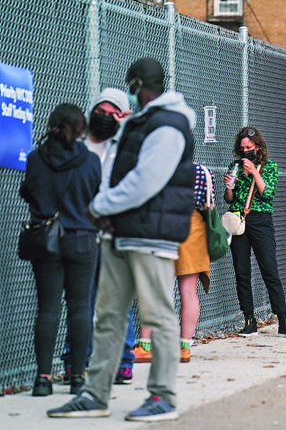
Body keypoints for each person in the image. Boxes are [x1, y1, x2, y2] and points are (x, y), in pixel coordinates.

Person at [48, 57, 195, 421]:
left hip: (151, 234)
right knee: (108, 316)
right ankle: (95, 394)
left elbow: (147, 180)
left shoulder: (169, 123)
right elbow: (117, 168)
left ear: (137, 84)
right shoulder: (140, 122)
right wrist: (108, 212)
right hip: (122, 232)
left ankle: (162, 397)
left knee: (157, 315)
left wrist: (100, 205)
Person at [20, 104, 101, 396]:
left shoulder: (34, 159)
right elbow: (95, 196)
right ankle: (77, 377)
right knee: (80, 308)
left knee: (48, 308)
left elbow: (28, 192)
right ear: (81, 128)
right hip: (82, 239)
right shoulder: (91, 161)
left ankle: (43, 379)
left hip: (46, 240)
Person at [59, 89, 136, 386]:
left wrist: (130, 123)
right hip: (79, 230)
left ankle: (123, 361)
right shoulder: (76, 144)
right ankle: (75, 360)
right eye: (100, 111)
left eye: (112, 112)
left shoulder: (125, 144)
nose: (104, 117)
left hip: (112, 231)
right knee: (81, 300)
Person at [133, 162, 218, 362]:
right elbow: (210, 205)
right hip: (194, 229)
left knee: (154, 289)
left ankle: (146, 345)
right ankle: (184, 348)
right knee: (188, 292)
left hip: (163, 227)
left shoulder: (158, 168)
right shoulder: (204, 172)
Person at [223, 126, 286, 337]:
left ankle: (283, 319)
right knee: (242, 271)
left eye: (249, 147)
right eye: (242, 148)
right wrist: (229, 185)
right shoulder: (235, 166)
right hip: (238, 220)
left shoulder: (269, 166)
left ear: (258, 147)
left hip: (260, 220)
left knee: (269, 270)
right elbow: (229, 198)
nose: (245, 151)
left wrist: (255, 172)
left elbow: (268, 195)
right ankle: (249, 319)